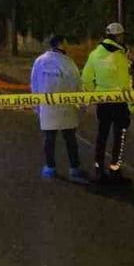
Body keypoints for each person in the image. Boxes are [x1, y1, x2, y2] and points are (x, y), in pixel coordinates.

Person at [30, 35, 90, 184]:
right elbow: (77, 83)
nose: (68, 45)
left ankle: (50, 167)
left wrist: (36, 106)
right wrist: (82, 103)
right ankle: (74, 168)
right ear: (61, 44)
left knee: (49, 140)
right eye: (66, 42)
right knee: (70, 139)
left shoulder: (40, 61)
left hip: (48, 108)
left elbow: (34, 83)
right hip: (66, 109)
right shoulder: (69, 63)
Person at [82, 22, 134, 186]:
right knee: (120, 136)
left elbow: (86, 79)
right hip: (119, 102)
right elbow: (127, 82)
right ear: (118, 37)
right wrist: (131, 104)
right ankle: (115, 170)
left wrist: (91, 96)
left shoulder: (95, 54)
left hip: (103, 102)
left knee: (102, 135)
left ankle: (99, 170)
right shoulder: (120, 56)